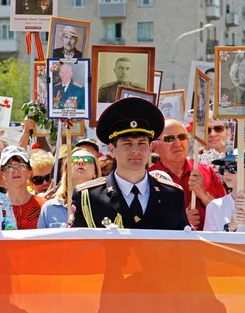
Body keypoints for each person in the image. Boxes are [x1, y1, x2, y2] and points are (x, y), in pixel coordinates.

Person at [70, 98, 190, 230]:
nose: (136, 151)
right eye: (127, 144)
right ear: (111, 150)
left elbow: (182, 246)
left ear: (151, 148)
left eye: (142, 143)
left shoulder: (172, 195)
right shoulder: (88, 197)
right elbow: (76, 246)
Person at [149, 118, 226, 229]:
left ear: (188, 141)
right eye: (169, 139)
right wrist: (181, 220)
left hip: (209, 245)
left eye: (181, 137)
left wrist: (204, 196)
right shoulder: (149, 178)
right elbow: (144, 225)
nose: (177, 143)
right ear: (154, 147)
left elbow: (227, 215)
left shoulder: (206, 172)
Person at [38, 147, 102, 228]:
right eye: (74, 160)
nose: (81, 162)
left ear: (95, 172)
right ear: (66, 171)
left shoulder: (105, 205)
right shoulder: (50, 208)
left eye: (87, 160)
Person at [0, 146, 45, 230]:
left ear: (29, 170)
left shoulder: (44, 206)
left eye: (21, 165)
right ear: (2, 172)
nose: (16, 170)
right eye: (9, 167)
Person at [204, 150, 245, 231]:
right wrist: (230, 228)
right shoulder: (214, 206)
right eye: (223, 169)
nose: (225, 173)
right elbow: (209, 242)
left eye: (232, 168)